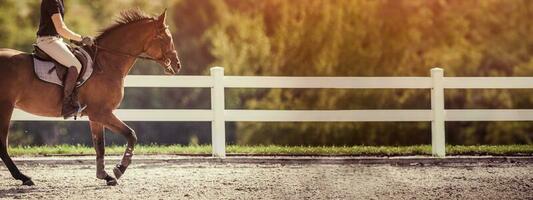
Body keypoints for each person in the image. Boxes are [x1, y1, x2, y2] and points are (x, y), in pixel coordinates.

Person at [36, 0, 93, 119]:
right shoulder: (52, 1)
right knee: (76, 65)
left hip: (55, 40)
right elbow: (61, 28)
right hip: (47, 41)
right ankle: (67, 104)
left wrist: (75, 39)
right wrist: (80, 38)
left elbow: (60, 31)